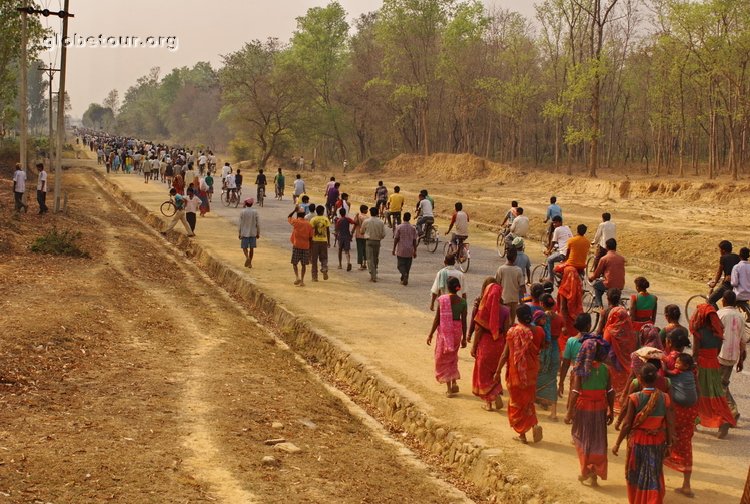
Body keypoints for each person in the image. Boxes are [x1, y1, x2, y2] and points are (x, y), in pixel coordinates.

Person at [613, 363, 674, 504]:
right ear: (657, 379)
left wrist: (617, 443)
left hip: (638, 441)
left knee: (636, 473)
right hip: (657, 440)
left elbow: (627, 424)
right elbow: (669, 422)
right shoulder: (664, 397)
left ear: (639, 378)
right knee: (654, 473)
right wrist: (669, 443)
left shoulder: (634, 398)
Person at [565, 335, 614, 488]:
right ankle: (594, 471)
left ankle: (586, 469)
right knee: (598, 440)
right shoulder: (606, 369)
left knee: (581, 438)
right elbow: (610, 391)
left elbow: (575, 391)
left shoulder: (580, 370)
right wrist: (611, 410)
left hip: (583, 408)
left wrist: (569, 412)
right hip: (600, 409)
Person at [495, 304, 545, 444]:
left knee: (517, 403)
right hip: (532, 372)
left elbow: (505, 354)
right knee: (529, 401)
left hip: (516, 373)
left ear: (517, 317)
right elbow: (540, 348)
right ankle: (533, 424)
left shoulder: (512, 333)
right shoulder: (539, 331)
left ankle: (522, 434)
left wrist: (498, 371)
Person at [690, 302, 737, 438]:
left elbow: (695, 352)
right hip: (714, 364)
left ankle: (694, 420)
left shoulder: (698, 332)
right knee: (716, 394)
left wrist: (692, 365)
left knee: (699, 394)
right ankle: (723, 420)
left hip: (702, 365)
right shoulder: (717, 331)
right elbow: (717, 350)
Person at [663, 350, 699, 498]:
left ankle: (656, 480)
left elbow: (666, 372)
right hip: (690, 413)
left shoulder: (676, 373)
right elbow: (698, 392)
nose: (676, 364)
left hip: (678, 413)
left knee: (665, 440)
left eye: (678, 363)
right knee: (686, 446)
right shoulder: (692, 375)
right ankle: (686, 485)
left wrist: (663, 364)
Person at [470, 278, 510, 411]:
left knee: (483, 372)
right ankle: (496, 391)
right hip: (499, 344)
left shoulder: (483, 310)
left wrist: (474, 346)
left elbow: (479, 330)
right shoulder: (506, 310)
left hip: (486, 344)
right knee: (495, 369)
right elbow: (506, 330)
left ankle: (489, 402)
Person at [427, 277, 467, 397]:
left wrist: (431, 333)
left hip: (445, 331)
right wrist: (464, 337)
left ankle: (449, 388)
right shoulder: (463, 302)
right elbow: (464, 321)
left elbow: (437, 318)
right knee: (453, 356)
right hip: (457, 331)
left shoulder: (443, 300)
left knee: (444, 357)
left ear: (447, 287)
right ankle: (454, 381)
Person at [600, 288, 637, 413]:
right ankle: (621, 402)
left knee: (611, 382)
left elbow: (604, 343)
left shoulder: (610, 330)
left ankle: (611, 403)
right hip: (625, 362)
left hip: (612, 361)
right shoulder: (629, 331)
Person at [716, 290, 748, 421]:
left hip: (720, 354)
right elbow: (743, 341)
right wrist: (741, 360)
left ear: (723, 301)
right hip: (733, 356)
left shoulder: (720, 314)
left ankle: (731, 410)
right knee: (722, 383)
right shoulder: (740, 316)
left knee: (719, 385)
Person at [535, 294, 563, 421]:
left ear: (542, 303)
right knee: (552, 379)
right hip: (556, 349)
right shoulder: (560, 318)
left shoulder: (542, 318)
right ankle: (553, 412)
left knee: (538, 375)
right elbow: (564, 330)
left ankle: (536, 404)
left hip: (544, 349)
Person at [558, 314, 595, 400]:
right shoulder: (594, 340)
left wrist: (561, 382)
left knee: (574, 401)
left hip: (576, 376)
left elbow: (565, 364)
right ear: (589, 326)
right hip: (592, 375)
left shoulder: (571, 341)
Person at [589, 238, 626, 307]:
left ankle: (599, 306)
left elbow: (597, 274)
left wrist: (591, 278)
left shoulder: (604, 258)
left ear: (606, 247)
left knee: (596, 286)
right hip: (620, 284)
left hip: (609, 284)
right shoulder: (622, 258)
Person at [557, 263, 583, 351]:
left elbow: (563, 308)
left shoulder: (563, 290)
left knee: (565, 346)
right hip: (576, 321)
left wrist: (563, 326)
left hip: (566, 321)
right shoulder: (578, 288)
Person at [495, 247, 525, 324]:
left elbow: (496, 285)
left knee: (504, 322)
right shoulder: (518, 270)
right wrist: (522, 300)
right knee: (512, 321)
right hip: (514, 300)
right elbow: (522, 287)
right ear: (515, 257)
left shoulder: (501, 269)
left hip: (504, 299)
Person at [709, 240, 741, 307]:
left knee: (711, 300)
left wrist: (714, 283)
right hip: (737, 284)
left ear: (723, 250)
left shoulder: (723, 258)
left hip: (728, 284)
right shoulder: (737, 257)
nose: (719, 251)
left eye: (720, 249)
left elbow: (719, 272)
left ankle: (717, 317)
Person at [288, 205, 314, 287]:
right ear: (304, 215)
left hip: (296, 245)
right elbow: (310, 238)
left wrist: (294, 210)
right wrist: (310, 248)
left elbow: (289, 217)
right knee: (304, 265)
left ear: (297, 215)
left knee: (294, 263)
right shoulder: (309, 225)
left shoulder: (295, 222)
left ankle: (297, 277)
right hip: (305, 247)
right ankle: (302, 280)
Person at [362, 206, 386, 282]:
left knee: (369, 258)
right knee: (375, 257)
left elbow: (362, 231)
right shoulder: (381, 222)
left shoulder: (366, 221)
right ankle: (375, 271)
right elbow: (383, 234)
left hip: (369, 241)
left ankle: (373, 274)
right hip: (377, 241)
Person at [392, 212, 418, 285]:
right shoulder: (413, 228)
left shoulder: (399, 227)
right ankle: (404, 278)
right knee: (407, 266)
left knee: (400, 265)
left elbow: (396, 238)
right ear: (409, 218)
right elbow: (414, 240)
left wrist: (394, 248)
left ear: (403, 218)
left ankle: (404, 275)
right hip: (409, 250)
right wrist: (415, 250)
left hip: (401, 249)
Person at [545, 216, 572, 280]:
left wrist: (549, 250)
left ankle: (550, 279)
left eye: (556, 223)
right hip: (570, 252)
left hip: (563, 253)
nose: (554, 224)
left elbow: (553, 241)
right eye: (553, 223)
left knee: (549, 260)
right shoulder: (567, 227)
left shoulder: (557, 229)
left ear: (560, 222)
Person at [309, 206, 331, 282]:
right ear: (323, 211)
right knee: (324, 257)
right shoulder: (325, 219)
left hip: (315, 241)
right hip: (324, 241)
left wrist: (309, 242)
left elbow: (311, 231)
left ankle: (314, 277)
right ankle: (324, 268)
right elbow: (328, 231)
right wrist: (329, 242)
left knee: (314, 260)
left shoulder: (313, 219)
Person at [239, 198, 260, 268]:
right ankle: (250, 263)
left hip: (244, 232)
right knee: (251, 248)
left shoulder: (242, 212)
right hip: (253, 232)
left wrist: (239, 233)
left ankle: (247, 257)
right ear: (252, 204)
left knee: (244, 247)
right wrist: (258, 233)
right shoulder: (255, 212)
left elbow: (240, 223)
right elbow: (258, 224)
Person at [353, 204, 369, 271]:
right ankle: (365, 263)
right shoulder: (367, 218)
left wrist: (352, 232)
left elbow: (355, 223)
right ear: (364, 210)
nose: (367, 211)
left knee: (360, 250)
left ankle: (361, 264)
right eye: (366, 210)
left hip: (359, 235)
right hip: (365, 236)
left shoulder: (358, 216)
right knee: (365, 250)